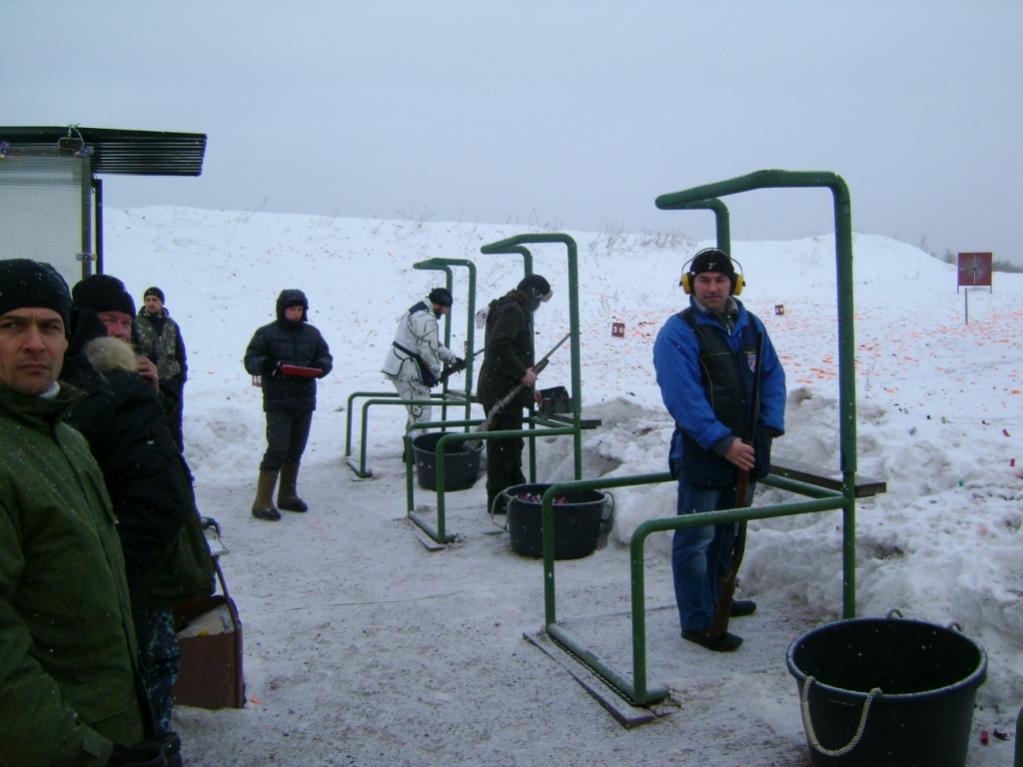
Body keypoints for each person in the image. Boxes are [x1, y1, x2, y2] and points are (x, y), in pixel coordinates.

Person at [0, 259, 165, 767]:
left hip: (107, 719)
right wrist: (85, 752)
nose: (35, 344)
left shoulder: (65, 438)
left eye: (50, 327)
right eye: (12, 326)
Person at [63, 273, 215, 764]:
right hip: (122, 559)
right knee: (139, 665)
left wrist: (156, 395)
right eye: (108, 320)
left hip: (140, 556)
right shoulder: (80, 386)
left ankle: (152, 736)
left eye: (125, 322)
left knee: (159, 658)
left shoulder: (132, 378)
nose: (119, 330)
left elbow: (160, 455)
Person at [653, 248, 786, 652]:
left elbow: (772, 378)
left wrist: (767, 428)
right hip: (703, 452)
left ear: (734, 284)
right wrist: (722, 441)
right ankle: (698, 619)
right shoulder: (678, 331)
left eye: (720, 280)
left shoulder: (752, 326)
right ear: (690, 284)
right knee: (696, 539)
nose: (712, 288)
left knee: (729, 531)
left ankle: (718, 596)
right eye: (704, 280)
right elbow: (682, 397)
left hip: (747, 450)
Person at [244, 289, 333, 521]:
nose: (296, 313)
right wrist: (269, 365)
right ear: (282, 310)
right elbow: (251, 360)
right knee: (277, 449)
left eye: (299, 309)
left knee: (296, 449)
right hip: (278, 401)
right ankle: (262, 501)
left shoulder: (312, 334)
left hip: (304, 399)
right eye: (292, 309)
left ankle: (287, 494)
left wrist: (321, 366)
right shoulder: (266, 333)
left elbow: (325, 356)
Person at [475, 274, 552, 514]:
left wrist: (529, 390)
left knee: (509, 445)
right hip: (502, 392)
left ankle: (513, 494)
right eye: (539, 299)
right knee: (504, 448)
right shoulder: (513, 311)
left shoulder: (506, 306)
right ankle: (501, 500)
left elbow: (508, 350)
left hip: (502, 389)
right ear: (532, 294)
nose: (538, 306)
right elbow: (499, 346)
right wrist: (522, 374)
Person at [381, 287, 463, 430]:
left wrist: (452, 358)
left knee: (416, 413)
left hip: (403, 367)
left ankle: (412, 442)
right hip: (408, 371)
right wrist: (436, 373)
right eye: (446, 309)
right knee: (421, 414)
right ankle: (417, 442)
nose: (446, 313)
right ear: (439, 305)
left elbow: (431, 344)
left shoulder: (419, 312)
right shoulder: (426, 319)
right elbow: (428, 350)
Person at [135, 286, 188, 452]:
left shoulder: (171, 325)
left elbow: (180, 353)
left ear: (161, 303)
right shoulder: (136, 324)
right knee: (150, 420)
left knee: (173, 423)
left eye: (155, 300)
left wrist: (181, 377)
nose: (151, 303)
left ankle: (175, 455)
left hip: (171, 381)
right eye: (148, 300)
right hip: (146, 380)